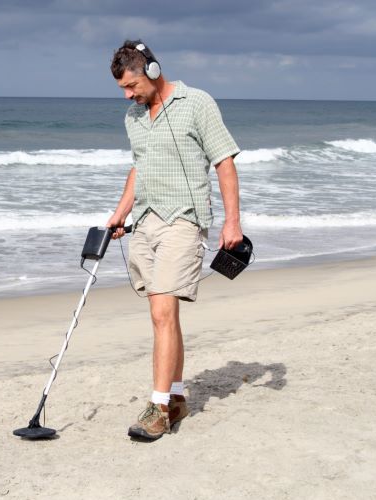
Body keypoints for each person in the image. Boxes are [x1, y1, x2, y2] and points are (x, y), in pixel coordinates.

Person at [106, 40, 243, 440]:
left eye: (132, 86)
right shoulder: (134, 118)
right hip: (146, 223)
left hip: (183, 222)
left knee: (162, 314)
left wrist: (232, 222)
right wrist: (120, 212)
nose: (128, 96)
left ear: (151, 71)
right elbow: (139, 168)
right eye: (123, 90)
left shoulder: (196, 103)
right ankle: (178, 396)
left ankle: (158, 408)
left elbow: (225, 160)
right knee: (164, 315)